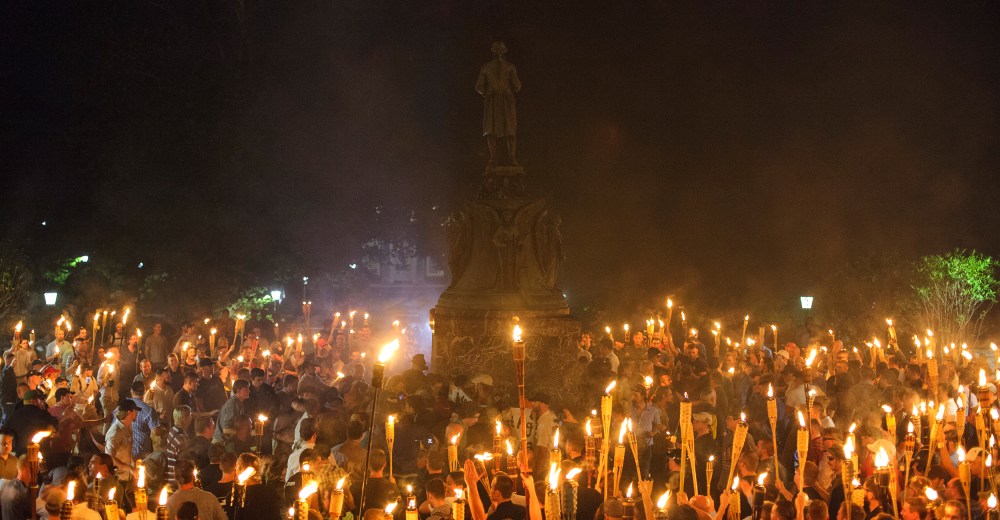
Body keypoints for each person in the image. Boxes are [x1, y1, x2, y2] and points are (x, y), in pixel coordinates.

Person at [476, 40, 521, 166]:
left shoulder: (510, 66)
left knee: (510, 130)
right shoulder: (486, 67)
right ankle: (494, 158)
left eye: (501, 50)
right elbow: (479, 86)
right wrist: (487, 92)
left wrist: (511, 85)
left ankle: (511, 158)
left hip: (506, 101)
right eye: (498, 50)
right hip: (493, 101)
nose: (499, 53)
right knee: (491, 129)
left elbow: (517, 86)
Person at [349, 449, 400, 515]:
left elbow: (350, 508)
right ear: (384, 464)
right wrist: (393, 486)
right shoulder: (391, 487)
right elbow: (398, 510)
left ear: (368, 464)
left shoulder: (356, 486)